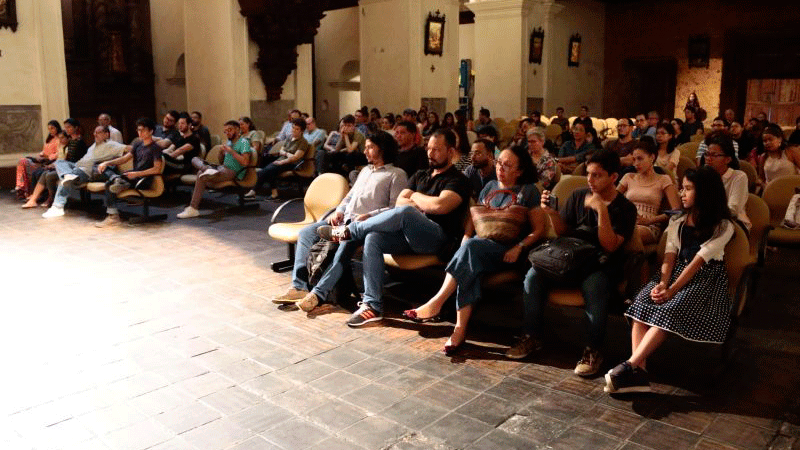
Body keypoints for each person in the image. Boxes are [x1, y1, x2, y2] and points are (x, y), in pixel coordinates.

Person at [317, 129, 471, 327]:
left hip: (438, 239)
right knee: (373, 237)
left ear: (450, 152)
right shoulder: (421, 175)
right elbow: (399, 202)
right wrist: (421, 202)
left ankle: (352, 231)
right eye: (429, 149)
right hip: (409, 236)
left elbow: (440, 206)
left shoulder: (458, 179)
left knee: (407, 214)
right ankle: (372, 306)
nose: (431, 154)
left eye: (437, 150)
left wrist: (415, 198)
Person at [402, 146, 546, 354]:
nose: (500, 168)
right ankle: (459, 331)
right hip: (480, 246)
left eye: (507, 165)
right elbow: (474, 216)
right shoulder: (489, 187)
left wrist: (519, 246)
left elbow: (539, 229)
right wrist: (466, 237)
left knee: (471, 251)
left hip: (508, 249)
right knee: (470, 264)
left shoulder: (529, 190)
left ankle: (438, 302)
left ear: (520, 170)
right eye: (499, 163)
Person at [507, 150, 637, 378]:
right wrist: (552, 214)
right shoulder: (578, 195)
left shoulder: (625, 208)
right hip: (570, 258)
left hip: (600, 261)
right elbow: (563, 232)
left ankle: (593, 350)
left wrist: (601, 210)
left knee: (595, 285)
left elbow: (610, 246)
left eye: (598, 175)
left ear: (614, 177)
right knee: (533, 276)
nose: (590, 180)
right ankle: (531, 336)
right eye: (588, 174)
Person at [605, 166, 735, 393]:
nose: (682, 194)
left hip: (704, 279)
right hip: (674, 274)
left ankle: (630, 365)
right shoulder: (678, 221)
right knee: (640, 305)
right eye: (682, 188)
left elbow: (698, 261)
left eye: (688, 189)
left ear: (704, 192)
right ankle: (639, 373)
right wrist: (663, 283)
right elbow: (669, 255)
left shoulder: (724, 226)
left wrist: (672, 290)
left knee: (667, 311)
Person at [272, 131, 408, 312]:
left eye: (370, 147)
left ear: (382, 150)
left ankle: (319, 292)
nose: (365, 151)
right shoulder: (365, 170)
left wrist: (370, 215)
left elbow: (394, 209)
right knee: (306, 233)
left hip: (363, 227)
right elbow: (349, 197)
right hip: (343, 221)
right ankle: (299, 287)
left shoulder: (396, 174)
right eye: (365, 147)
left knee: (341, 244)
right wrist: (339, 210)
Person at [41, 126, 129, 218]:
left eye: (98, 132)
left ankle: (58, 206)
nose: (95, 134)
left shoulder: (111, 145)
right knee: (59, 162)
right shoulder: (93, 146)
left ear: (106, 134)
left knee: (65, 180)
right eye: (94, 132)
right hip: (78, 166)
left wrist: (108, 162)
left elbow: (131, 149)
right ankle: (68, 174)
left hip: (88, 170)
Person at [93, 118, 165, 227]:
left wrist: (137, 174)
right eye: (138, 130)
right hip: (132, 176)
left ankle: (113, 217)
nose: (139, 133)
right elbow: (125, 159)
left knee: (109, 184)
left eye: (143, 130)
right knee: (107, 178)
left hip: (143, 180)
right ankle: (118, 181)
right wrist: (107, 163)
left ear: (151, 131)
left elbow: (157, 169)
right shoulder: (137, 145)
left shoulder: (155, 148)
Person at [176, 120, 255, 219]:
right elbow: (221, 160)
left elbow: (245, 162)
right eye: (225, 131)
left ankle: (193, 208)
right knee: (194, 159)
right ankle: (208, 169)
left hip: (233, 172)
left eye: (229, 130)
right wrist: (221, 153)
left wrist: (231, 151)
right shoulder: (229, 142)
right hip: (222, 168)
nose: (227, 133)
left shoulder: (243, 142)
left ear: (237, 129)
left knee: (201, 174)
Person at [618, 140, 681, 245]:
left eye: (640, 159)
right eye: (634, 159)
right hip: (626, 222)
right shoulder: (628, 177)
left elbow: (677, 210)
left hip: (649, 226)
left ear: (652, 157)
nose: (636, 163)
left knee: (626, 233)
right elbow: (612, 199)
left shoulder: (663, 179)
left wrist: (649, 220)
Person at [701, 132, 750, 231]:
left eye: (714, 155)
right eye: (707, 154)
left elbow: (732, 209)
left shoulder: (739, 177)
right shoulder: (702, 175)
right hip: (705, 221)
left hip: (733, 223)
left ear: (728, 159)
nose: (708, 159)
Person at [250, 118, 308, 199]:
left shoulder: (303, 142)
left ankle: (253, 191)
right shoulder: (289, 138)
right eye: (293, 128)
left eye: (297, 129)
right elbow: (281, 150)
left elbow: (295, 157)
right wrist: (287, 154)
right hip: (282, 159)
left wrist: (283, 160)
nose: (293, 130)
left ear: (302, 131)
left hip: (292, 164)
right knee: (269, 170)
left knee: (266, 170)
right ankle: (273, 193)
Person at [13, 120, 62, 199]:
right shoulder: (49, 139)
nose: (50, 131)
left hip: (49, 162)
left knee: (25, 163)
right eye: (49, 129)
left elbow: (59, 154)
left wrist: (47, 156)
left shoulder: (60, 139)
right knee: (22, 161)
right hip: (42, 160)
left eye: (52, 128)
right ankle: (20, 187)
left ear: (57, 128)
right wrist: (40, 155)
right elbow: (44, 151)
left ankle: (22, 188)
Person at [22, 131, 70, 208]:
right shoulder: (61, 147)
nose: (60, 140)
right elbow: (58, 160)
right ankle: (34, 198)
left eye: (63, 138)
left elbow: (66, 161)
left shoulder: (69, 148)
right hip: (57, 166)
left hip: (64, 169)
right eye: (59, 138)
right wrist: (51, 165)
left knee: (48, 174)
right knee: (40, 172)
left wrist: (54, 165)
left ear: (68, 138)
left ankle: (50, 198)